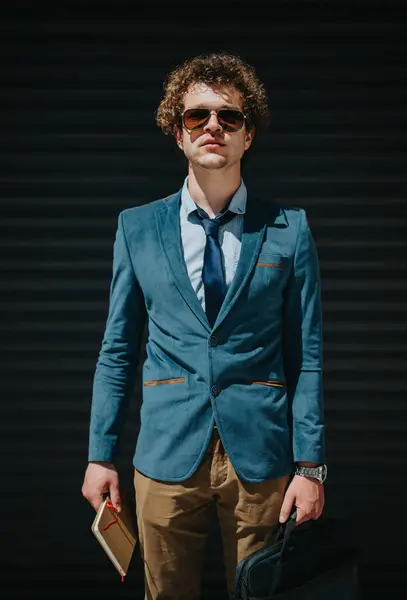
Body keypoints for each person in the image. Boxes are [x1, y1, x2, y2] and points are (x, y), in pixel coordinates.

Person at [82, 52, 327, 600]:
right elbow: (118, 350)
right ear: (178, 132)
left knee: (260, 594)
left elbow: (305, 355)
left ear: (248, 135)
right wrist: (101, 454)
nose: (212, 127)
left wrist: (312, 468)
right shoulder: (138, 227)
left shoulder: (289, 230)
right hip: (166, 451)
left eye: (229, 117)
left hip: (261, 457)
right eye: (197, 117)